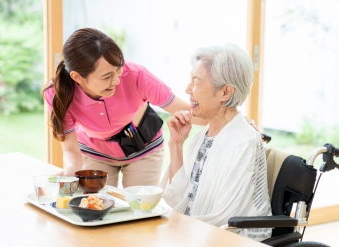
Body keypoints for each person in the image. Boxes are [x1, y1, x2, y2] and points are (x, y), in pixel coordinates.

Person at [41, 27, 259, 189]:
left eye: (118, 70)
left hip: (143, 149)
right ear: (78, 77)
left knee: (138, 215)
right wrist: (71, 168)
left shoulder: (136, 76)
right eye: (107, 76)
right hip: (95, 152)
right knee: (97, 208)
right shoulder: (58, 94)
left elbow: (192, 113)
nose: (117, 80)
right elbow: (70, 148)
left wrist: (234, 118)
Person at [159, 44, 272, 241]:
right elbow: (180, 199)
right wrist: (176, 145)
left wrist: (174, 230)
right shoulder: (202, 136)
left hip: (235, 240)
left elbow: (225, 219)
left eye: (196, 81)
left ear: (225, 92)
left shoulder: (243, 142)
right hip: (198, 234)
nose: (187, 89)